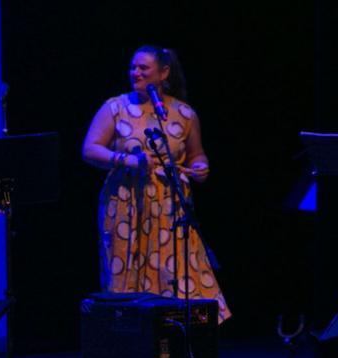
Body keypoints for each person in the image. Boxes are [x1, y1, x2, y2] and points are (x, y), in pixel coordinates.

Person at [82, 45, 231, 323]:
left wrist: (200, 167)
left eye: (143, 68)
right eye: (133, 67)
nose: (135, 72)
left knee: (179, 274)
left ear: (164, 73)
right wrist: (125, 160)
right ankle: (129, 350)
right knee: (126, 278)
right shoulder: (115, 107)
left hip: (171, 208)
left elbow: (196, 153)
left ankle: (182, 347)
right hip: (127, 207)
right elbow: (90, 149)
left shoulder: (184, 114)